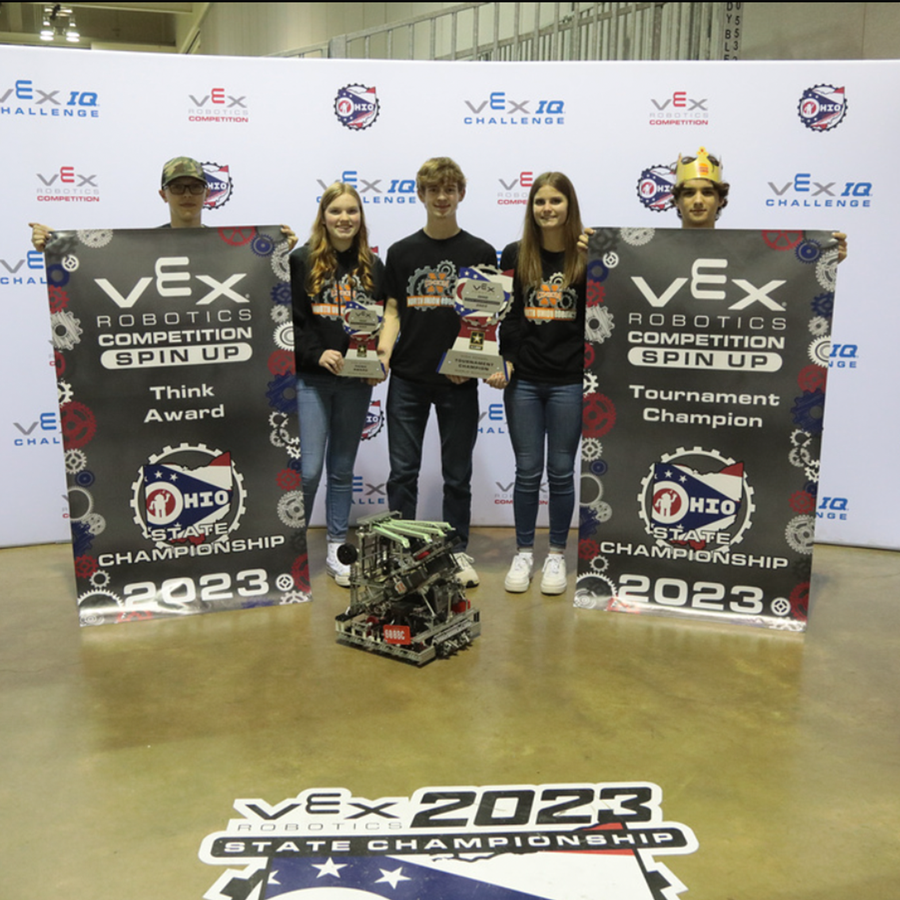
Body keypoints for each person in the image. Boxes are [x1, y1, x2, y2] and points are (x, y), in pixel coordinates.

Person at [376, 157, 496, 587]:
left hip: (457, 382)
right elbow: (392, 310)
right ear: (420, 195)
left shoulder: (481, 252)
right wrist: (383, 354)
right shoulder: (401, 252)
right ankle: (399, 554)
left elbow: (485, 319)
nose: (441, 197)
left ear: (461, 193)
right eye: (433, 189)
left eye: (449, 189)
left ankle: (458, 551)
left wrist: (477, 365)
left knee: (457, 476)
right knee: (402, 473)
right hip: (407, 377)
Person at [487, 173, 586, 595]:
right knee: (527, 472)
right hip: (524, 382)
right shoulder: (515, 253)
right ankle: (524, 552)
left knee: (561, 472)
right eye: (540, 201)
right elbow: (508, 318)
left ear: (569, 205)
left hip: (570, 381)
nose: (547, 208)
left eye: (556, 200)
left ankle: (557, 556)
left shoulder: (587, 255)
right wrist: (505, 361)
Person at [290, 183, 385, 586]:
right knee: (309, 470)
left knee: (342, 469)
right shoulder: (300, 260)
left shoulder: (373, 266)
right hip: (311, 379)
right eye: (336, 211)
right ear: (323, 217)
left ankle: (335, 548)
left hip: (355, 382)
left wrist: (378, 358)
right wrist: (316, 354)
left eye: (352, 211)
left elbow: (383, 322)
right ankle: (291, 548)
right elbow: (291, 321)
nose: (344, 218)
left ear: (360, 218)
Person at [30, 156, 298, 249]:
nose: (187, 195)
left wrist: (276, 254)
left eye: (195, 187)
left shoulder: (226, 245)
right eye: (177, 187)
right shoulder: (148, 245)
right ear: (163, 194)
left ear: (208, 194)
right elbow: (100, 270)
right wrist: (55, 246)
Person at [670, 146, 848, 259]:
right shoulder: (653, 253)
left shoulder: (743, 254)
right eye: (689, 193)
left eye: (707, 193)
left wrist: (825, 258)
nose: (698, 200)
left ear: (721, 200)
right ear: (677, 201)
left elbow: (787, 284)